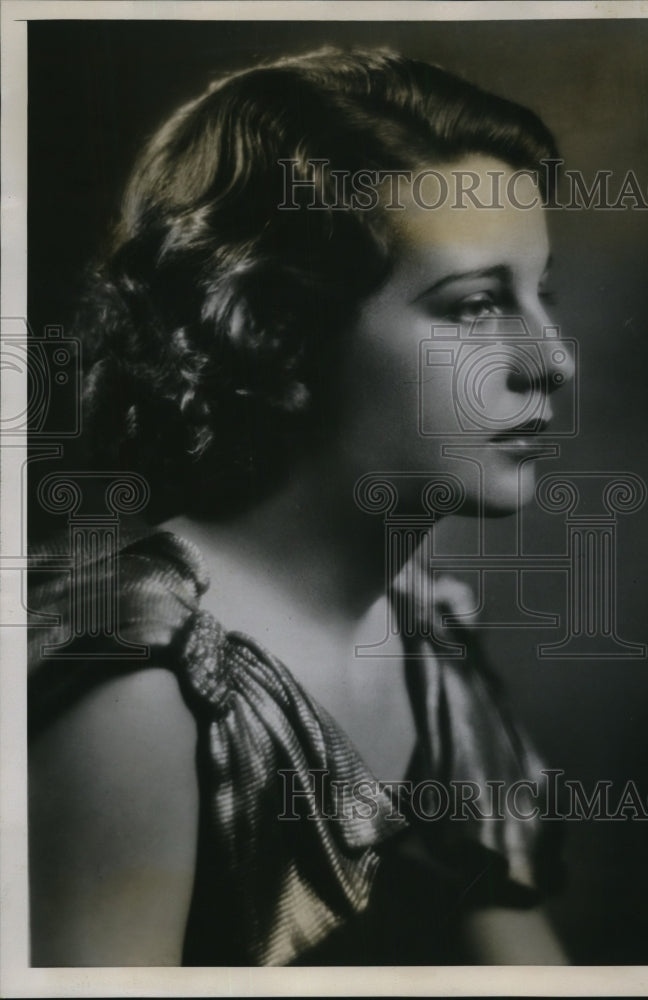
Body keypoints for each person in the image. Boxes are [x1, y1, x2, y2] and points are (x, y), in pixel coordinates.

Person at [28, 46, 574, 966]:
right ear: (276, 329)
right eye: (476, 306)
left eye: (539, 295)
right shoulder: (141, 692)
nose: (552, 360)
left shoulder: (426, 643)